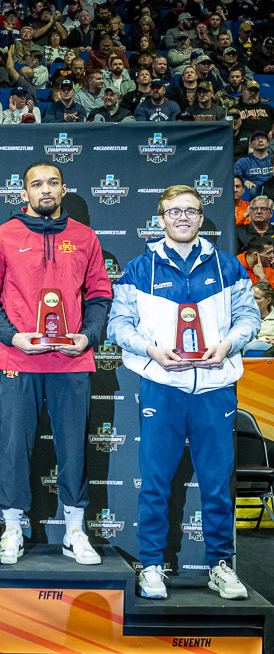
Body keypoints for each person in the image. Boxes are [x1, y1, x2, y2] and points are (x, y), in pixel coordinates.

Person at [107, 186, 260, 600]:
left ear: (201, 217)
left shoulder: (228, 266)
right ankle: (152, 565)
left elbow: (249, 315)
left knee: (216, 484)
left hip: (215, 388)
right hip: (163, 386)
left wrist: (227, 345)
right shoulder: (140, 269)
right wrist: (152, 350)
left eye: (190, 211)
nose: (182, 218)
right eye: (173, 211)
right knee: (155, 482)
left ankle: (220, 565)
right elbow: (118, 325)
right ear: (160, 218)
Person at [0, 161, 112, 566]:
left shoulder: (85, 238)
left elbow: (100, 295)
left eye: (53, 183)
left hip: (71, 360)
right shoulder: (0, 238)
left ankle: (74, 530)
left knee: (74, 449)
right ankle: (13, 527)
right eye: (36, 184)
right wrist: (14, 336)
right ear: (24, 194)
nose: (45, 190)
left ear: (64, 189)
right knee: (14, 448)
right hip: (19, 357)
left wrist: (86, 336)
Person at [234, 131, 272, 201]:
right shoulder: (243, 162)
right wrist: (244, 181)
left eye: (263, 138)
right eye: (256, 139)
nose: (260, 140)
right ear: (250, 145)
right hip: (253, 191)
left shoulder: (273, 159)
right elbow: (235, 175)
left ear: (267, 143)